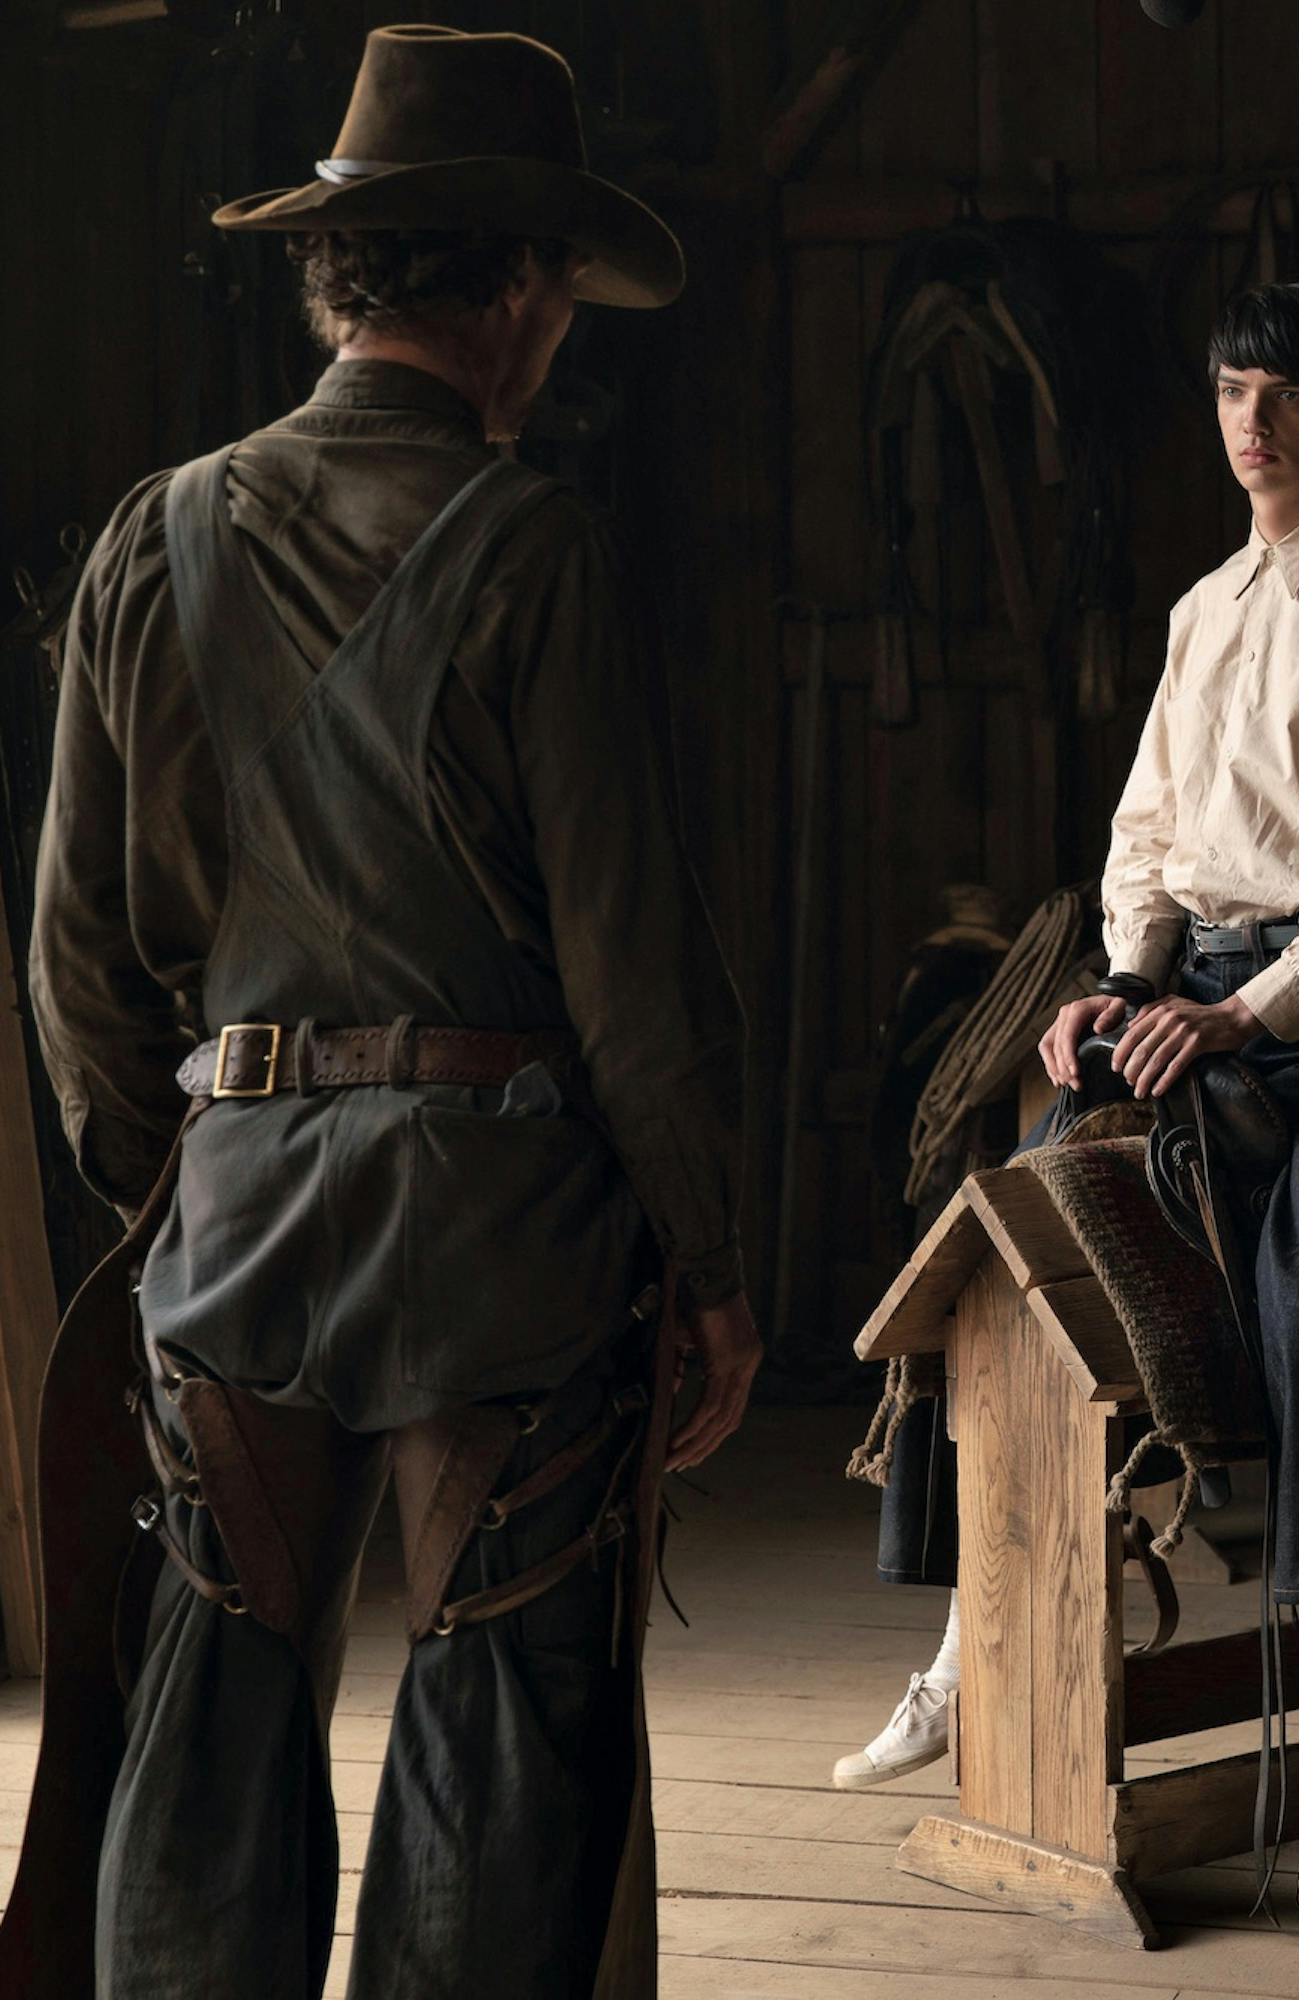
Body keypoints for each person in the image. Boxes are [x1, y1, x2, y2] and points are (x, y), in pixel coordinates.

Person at [2, 26, 757, 2000]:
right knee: (503, 1738)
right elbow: (631, 970)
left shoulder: (146, 544)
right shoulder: (536, 548)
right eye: (561, 292)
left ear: (342, 277)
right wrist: (712, 1257)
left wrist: (168, 1187)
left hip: (233, 1215)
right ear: (513, 287)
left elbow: (76, 963)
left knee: (201, 1737)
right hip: (499, 1248)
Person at [839, 281, 1299, 1920]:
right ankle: (957, 1652)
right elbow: (1145, 826)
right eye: (1227, 394)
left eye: (1279, 395)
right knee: (999, 1247)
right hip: (1178, 989)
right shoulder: (1201, 609)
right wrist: (1125, 989)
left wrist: (1240, 1013)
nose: (1248, 424)